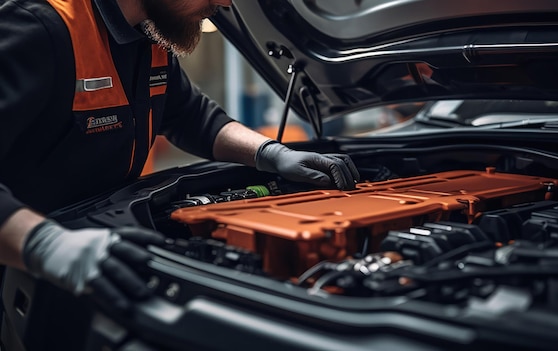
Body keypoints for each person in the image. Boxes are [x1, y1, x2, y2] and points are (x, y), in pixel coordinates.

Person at [0, 0, 359, 313]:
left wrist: (269, 153)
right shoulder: (37, 26)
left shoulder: (151, 33)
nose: (225, 2)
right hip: (22, 267)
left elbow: (192, 116)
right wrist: (45, 246)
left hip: (102, 256)